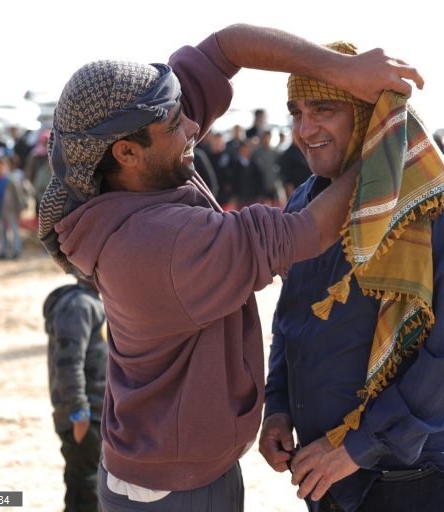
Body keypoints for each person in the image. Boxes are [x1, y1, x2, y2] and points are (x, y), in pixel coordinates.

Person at [37, 24, 423, 512]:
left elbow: (227, 46)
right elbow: (309, 231)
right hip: (174, 489)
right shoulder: (158, 247)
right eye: (177, 125)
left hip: (165, 463)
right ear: (127, 153)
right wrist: (384, 134)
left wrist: (341, 69)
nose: (194, 127)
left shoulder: (128, 167)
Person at [259, 41, 444, 512]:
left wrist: (353, 449)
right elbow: (291, 321)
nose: (305, 129)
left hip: (414, 477)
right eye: (296, 112)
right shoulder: (306, 204)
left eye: (323, 109)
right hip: (325, 474)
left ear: (370, 113)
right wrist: (279, 406)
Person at [44, 277, 108, 512]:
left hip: (98, 415)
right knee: (85, 491)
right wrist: (79, 414)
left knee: (96, 489)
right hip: (83, 418)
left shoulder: (94, 302)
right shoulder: (78, 305)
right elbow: (68, 365)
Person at [0, 150, 31, 260]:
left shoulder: (12, 180)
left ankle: (16, 251)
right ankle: (2, 251)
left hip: (11, 210)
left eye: (2, 166)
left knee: (14, 231)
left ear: (6, 167)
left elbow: (19, 195)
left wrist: (21, 208)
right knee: (0, 232)